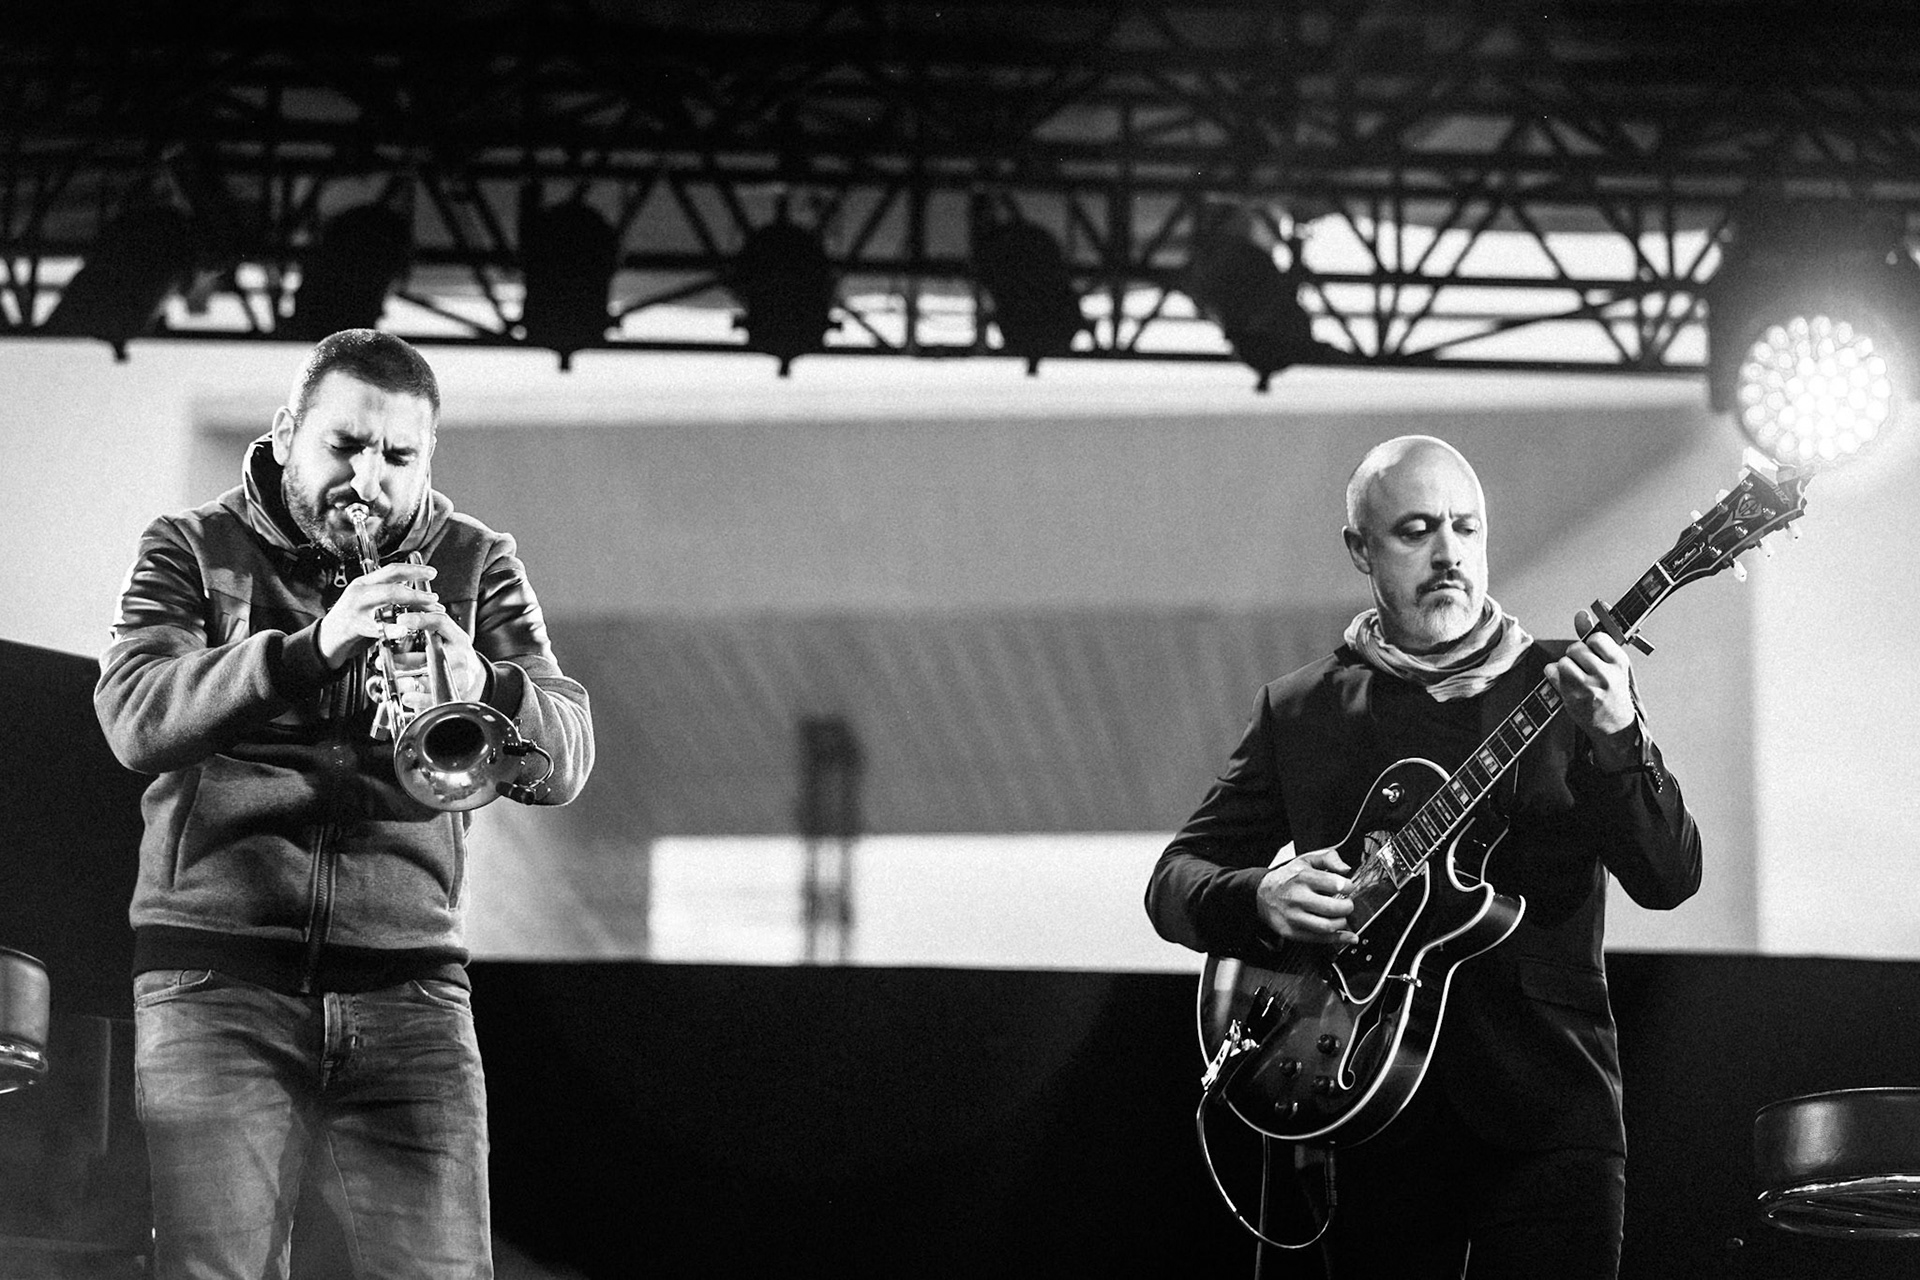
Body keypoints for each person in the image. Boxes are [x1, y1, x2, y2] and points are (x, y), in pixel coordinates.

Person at [93, 329, 595, 1278]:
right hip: (217, 983)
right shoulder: (191, 549)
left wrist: (487, 682)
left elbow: (566, 760)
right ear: (286, 435)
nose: (369, 481)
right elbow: (134, 716)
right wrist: (308, 651)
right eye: (345, 447)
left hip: (409, 991)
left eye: (398, 458)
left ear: (426, 462)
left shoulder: (476, 562)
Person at [1145, 435, 1700, 1279]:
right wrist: (1259, 895)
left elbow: (1671, 878)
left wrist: (1620, 737)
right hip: (1362, 1107)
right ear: (1359, 550)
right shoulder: (1303, 710)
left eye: (1466, 528)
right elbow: (1173, 882)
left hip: (1550, 1115)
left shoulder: (1571, 687)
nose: (1448, 554)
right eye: (1414, 531)